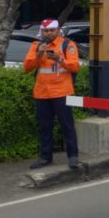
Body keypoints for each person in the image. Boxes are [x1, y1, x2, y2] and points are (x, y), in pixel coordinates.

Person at [23, 19, 82, 169]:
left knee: (67, 125)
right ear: (41, 32)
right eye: (46, 31)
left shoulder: (67, 45)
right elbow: (27, 68)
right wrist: (39, 54)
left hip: (62, 92)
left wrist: (60, 59)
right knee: (45, 127)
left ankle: (73, 156)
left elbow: (75, 67)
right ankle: (45, 157)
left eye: (51, 30)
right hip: (42, 93)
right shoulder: (36, 46)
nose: (48, 33)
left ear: (57, 31)